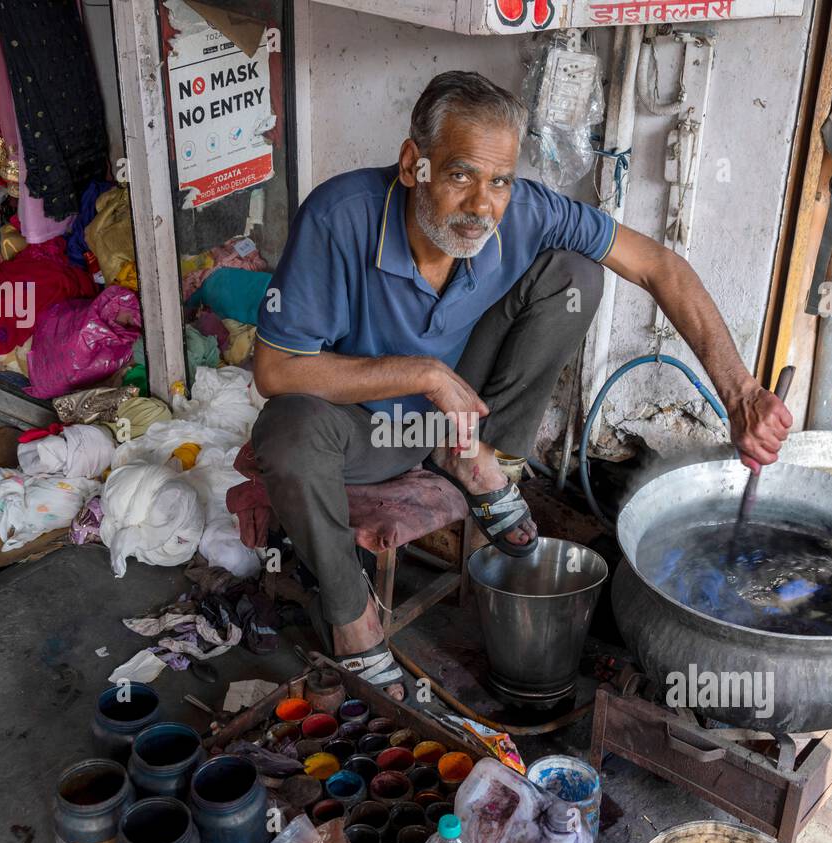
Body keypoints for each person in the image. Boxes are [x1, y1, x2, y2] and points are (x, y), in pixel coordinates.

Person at [251, 71, 792, 699]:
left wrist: (741, 393)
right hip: (360, 431)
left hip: (458, 413)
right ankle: (354, 623)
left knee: (573, 275)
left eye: (499, 180)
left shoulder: (525, 210)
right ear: (412, 166)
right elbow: (276, 369)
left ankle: (481, 458)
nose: (483, 205)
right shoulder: (338, 216)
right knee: (286, 430)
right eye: (460, 175)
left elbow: (658, 265)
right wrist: (422, 374)